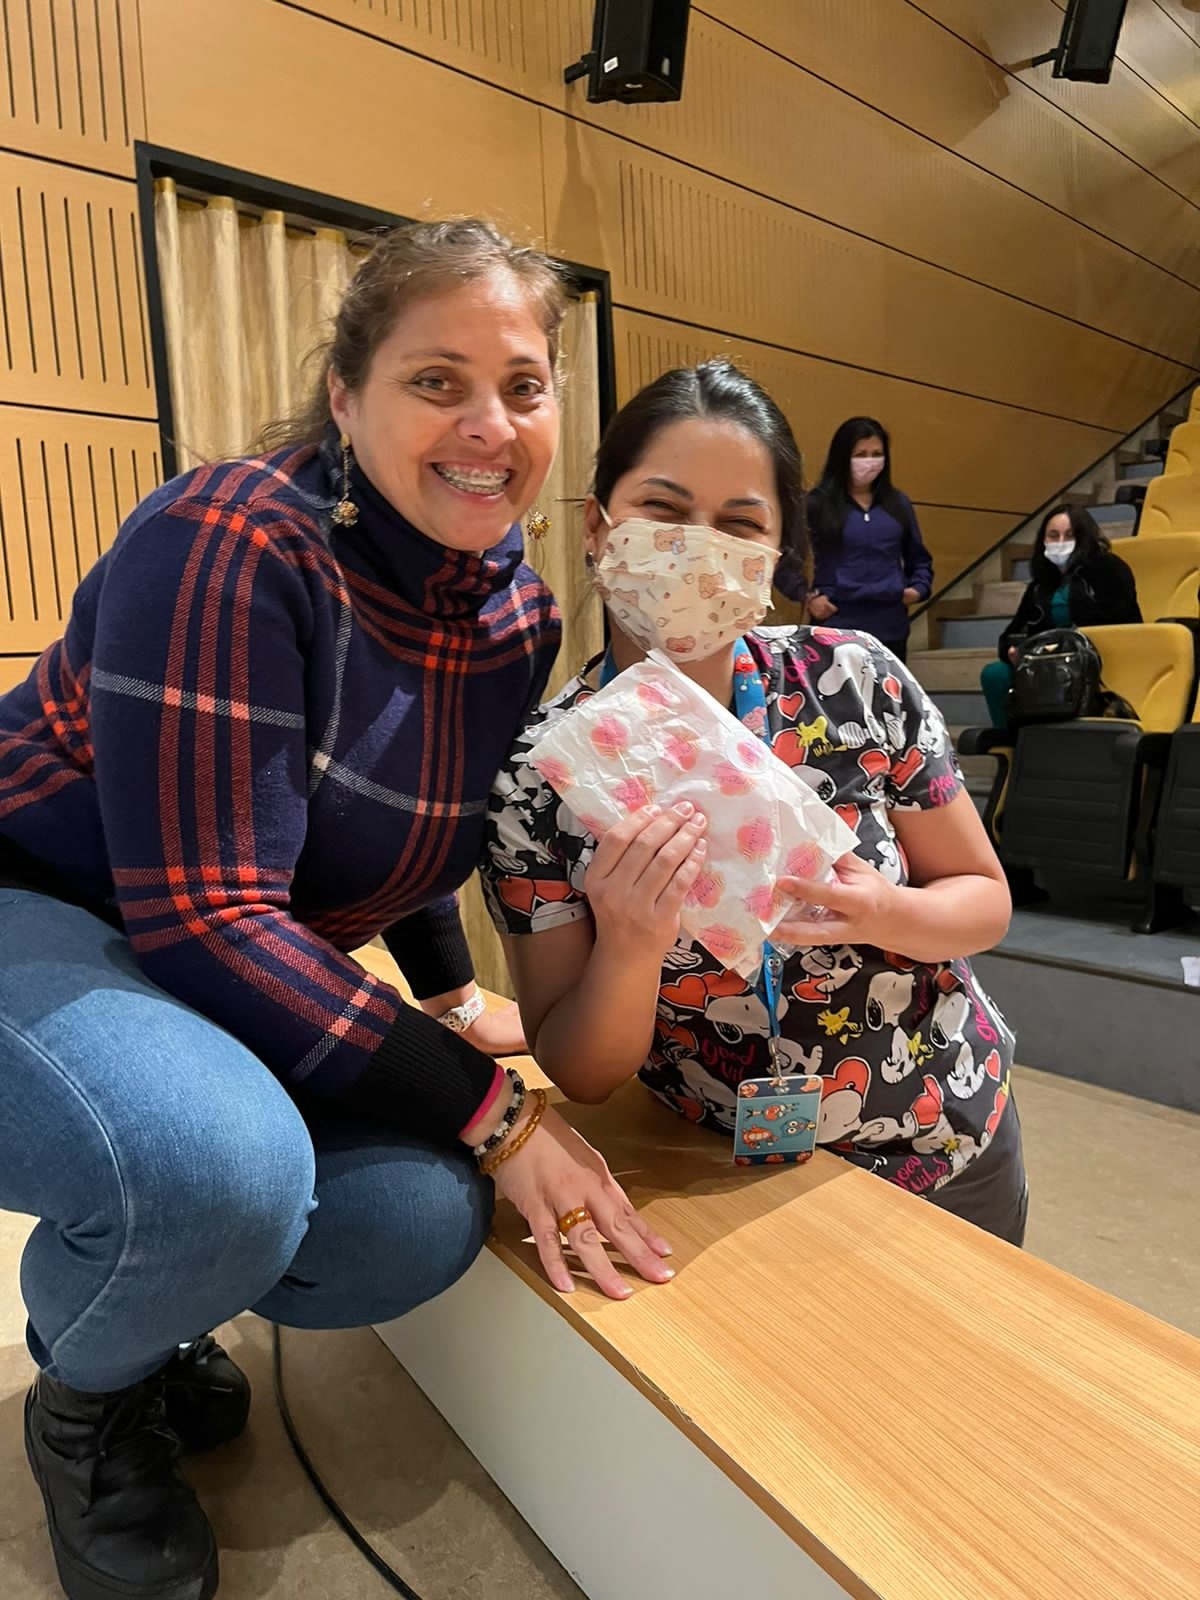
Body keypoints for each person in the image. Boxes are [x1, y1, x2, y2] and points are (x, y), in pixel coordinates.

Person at [0, 219, 673, 1600]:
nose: (490, 425)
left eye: (524, 386)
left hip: (193, 948)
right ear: (345, 397)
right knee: (214, 1171)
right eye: (437, 381)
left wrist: (452, 999)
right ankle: (86, 1404)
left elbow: (411, 816)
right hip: (40, 902)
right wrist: (499, 1109)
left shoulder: (513, 612)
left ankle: (159, 1305)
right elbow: (208, 916)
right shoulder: (225, 538)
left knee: (413, 1217)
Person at [481, 359, 1027, 1259]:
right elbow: (581, 1070)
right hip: (713, 1178)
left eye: (738, 524)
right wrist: (630, 945)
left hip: (947, 1141)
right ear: (597, 524)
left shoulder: (855, 680)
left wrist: (883, 910)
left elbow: (983, 898)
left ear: (776, 553)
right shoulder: (541, 779)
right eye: (662, 509)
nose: (697, 548)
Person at [981, 504, 1141, 727]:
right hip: (1051, 661)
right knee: (995, 674)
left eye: (1069, 536)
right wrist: (1012, 649)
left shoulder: (1110, 568)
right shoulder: (1040, 585)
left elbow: (1119, 624)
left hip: (1095, 660)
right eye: (1054, 536)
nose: (1061, 542)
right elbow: (1011, 634)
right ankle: (1013, 743)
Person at [805, 416, 934, 660]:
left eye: (876, 454)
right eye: (860, 454)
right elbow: (786, 556)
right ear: (842, 456)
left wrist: (918, 589)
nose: (869, 462)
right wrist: (807, 596)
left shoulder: (898, 504)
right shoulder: (817, 504)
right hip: (835, 625)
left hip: (890, 627)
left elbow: (919, 558)